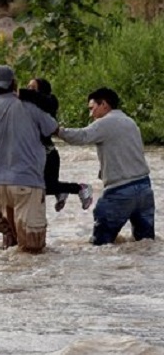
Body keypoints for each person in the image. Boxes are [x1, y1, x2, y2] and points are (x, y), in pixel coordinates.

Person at [56, 87, 155, 245]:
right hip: (145, 188)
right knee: (145, 243)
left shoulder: (105, 123)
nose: (91, 114)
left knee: (100, 245)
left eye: (92, 108)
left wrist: (57, 131)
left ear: (104, 105)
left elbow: (81, 136)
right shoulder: (130, 122)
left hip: (120, 191)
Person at [0, 65, 58, 252]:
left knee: (10, 245)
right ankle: (33, 282)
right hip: (27, 183)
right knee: (32, 249)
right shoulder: (30, 107)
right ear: (14, 83)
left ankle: (10, 282)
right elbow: (52, 128)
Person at [19, 77, 93, 211]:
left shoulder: (48, 103)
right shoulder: (29, 106)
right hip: (41, 154)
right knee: (37, 187)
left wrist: (16, 92)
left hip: (48, 155)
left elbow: (40, 99)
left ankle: (81, 188)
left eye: (32, 88)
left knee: (43, 187)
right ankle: (61, 191)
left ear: (41, 90)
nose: (29, 91)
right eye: (27, 87)